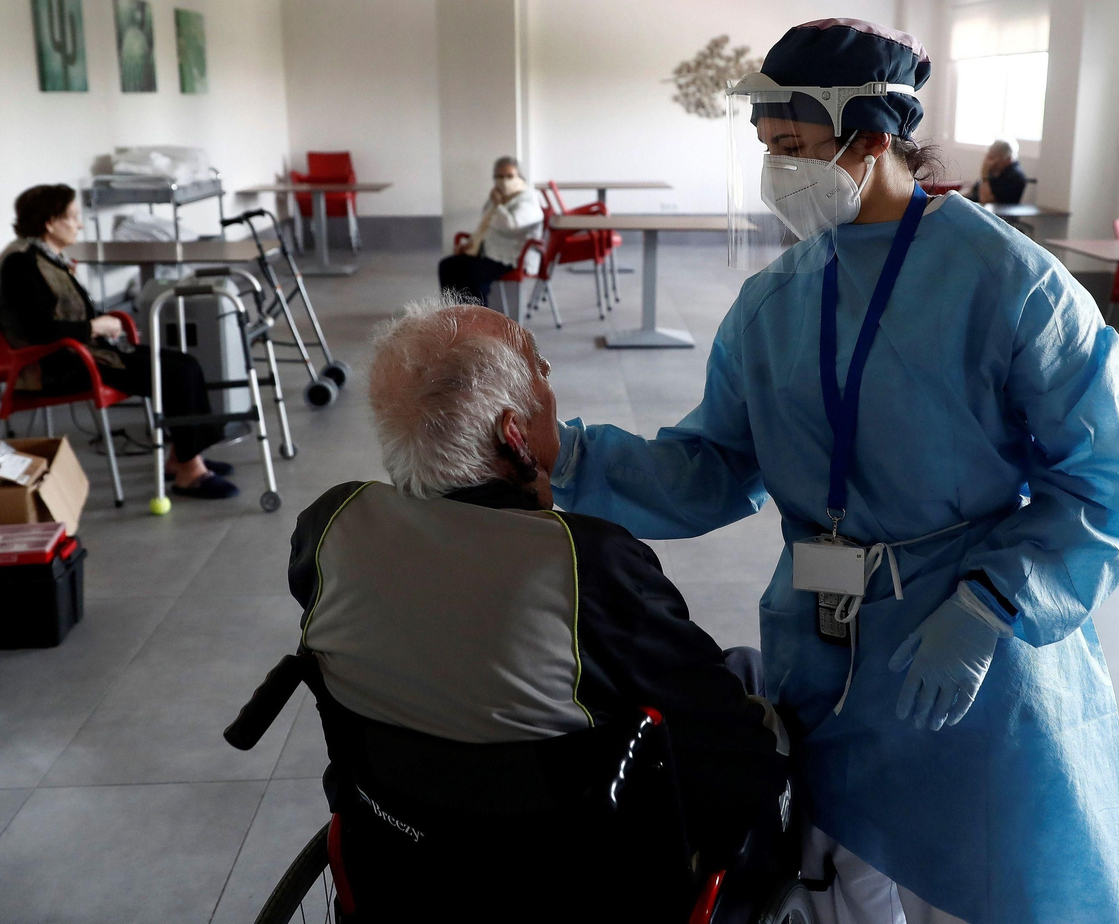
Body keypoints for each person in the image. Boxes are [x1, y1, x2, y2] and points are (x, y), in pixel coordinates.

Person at [551, 20, 1119, 924]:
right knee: (840, 881)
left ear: (873, 140)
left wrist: (994, 605)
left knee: (988, 882)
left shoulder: (1010, 285)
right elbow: (711, 467)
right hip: (822, 650)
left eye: (793, 148)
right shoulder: (777, 300)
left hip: (970, 657)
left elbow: (1104, 492)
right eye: (768, 148)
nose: (777, 171)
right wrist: (566, 455)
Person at [289, 295, 785, 871]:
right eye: (540, 369)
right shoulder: (584, 564)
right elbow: (732, 753)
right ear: (515, 434)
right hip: (566, 874)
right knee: (748, 678)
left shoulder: (329, 528)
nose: (551, 385)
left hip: (400, 858)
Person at [0, 184, 237, 499]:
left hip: (81, 351)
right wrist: (94, 326)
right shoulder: (21, 263)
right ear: (49, 223)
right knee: (175, 373)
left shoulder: (43, 256)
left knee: (184, 362)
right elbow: (41, 330)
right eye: (73, 217)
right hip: (57, 363)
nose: (80, 224)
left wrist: (100, 325)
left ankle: (182, 457)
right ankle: (190, 472)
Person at [437, 155, 544, 305]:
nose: (504, 181)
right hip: (489, 252)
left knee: (472, 275)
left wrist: (498, 205)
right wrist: (471, 243)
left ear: (519, 176)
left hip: (512, 256)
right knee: (448, 266)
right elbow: (485, 227)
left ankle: (480, 320)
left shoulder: (528, 198)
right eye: (499, 177)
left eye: (509, 176)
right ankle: (455, 313)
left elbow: (510, 225)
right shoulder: (498, 196)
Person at [963, 138, 1027, 205]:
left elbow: (985, 201)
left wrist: (984, 175)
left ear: (1008, 159)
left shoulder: (1014, 176)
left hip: (993, 212)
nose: (988, 162)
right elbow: (974, 190)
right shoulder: (996, 170)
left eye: (992, 158)